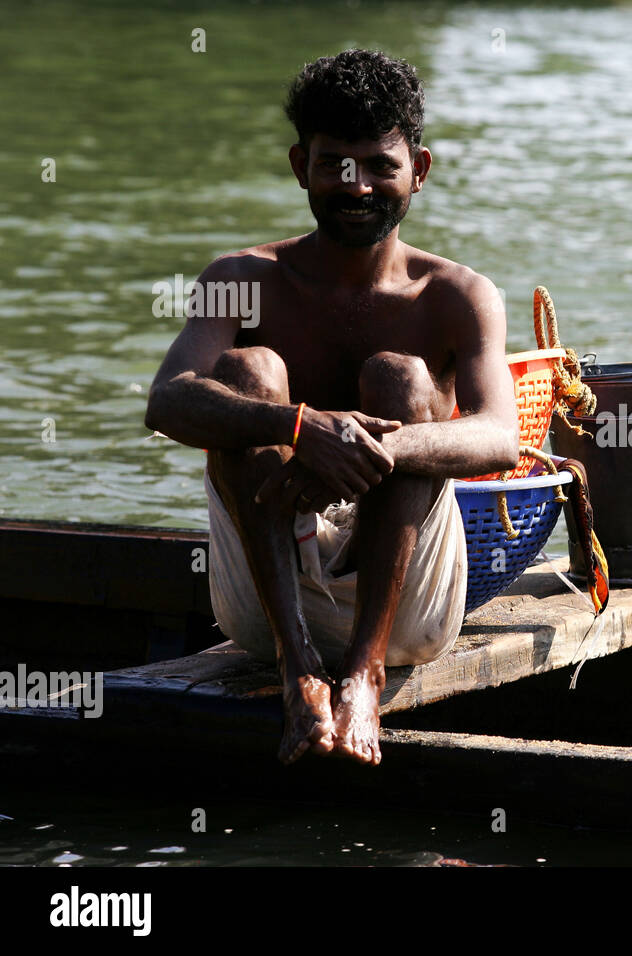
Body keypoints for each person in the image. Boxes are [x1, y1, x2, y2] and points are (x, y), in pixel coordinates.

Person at [144, 49, 519, 767]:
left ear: (420, 170)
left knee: (401, 381)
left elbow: (500, 437)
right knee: (247, 372)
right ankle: (299, 670)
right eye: (334, 165)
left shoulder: (458, 294)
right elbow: (170, 399)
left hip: (408, 609)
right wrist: (298, 427)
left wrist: (358, 451)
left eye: (380, 165)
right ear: (299, 166)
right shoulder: (240, 279)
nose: (358, 187)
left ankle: (365, 674)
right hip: (266, 600)